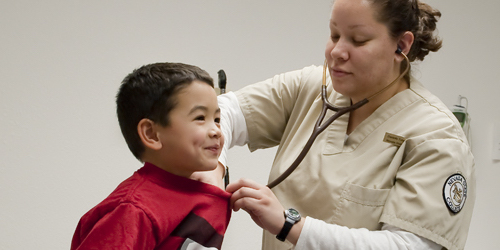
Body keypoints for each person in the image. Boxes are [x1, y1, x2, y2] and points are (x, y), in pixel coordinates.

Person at [219, 0, 475, 249]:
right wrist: (214, 167)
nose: (337, 52)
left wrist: (290, 226)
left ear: (401, 45)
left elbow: (409, 245)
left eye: (358, 40)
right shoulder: (310, 89)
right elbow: (221, 112)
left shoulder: (437, 136)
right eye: (334, 34)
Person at [71, 62, 231, 250]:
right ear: (151, 134)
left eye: (217, 120)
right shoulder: (134, 210)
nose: (216, 131)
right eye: (200, 118)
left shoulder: (207, 197)